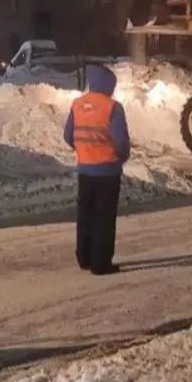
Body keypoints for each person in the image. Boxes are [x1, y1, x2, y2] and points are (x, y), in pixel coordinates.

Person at [63, 64, 131, 275]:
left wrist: (85, 150)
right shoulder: (113, 107)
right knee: (104, 217)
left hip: (85, 170)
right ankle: (100, 263)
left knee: (85, 215)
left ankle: (84, 257)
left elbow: (68, 136)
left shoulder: (77, 104)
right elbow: (121, 143)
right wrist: (120, 158)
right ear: (109, 84)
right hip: (107, 172)